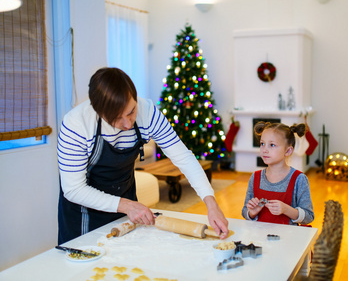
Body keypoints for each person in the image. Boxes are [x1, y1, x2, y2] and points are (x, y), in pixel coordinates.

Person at [57, 67, 229, 244]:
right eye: (116, 118)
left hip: (127, 206)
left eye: (131, 111)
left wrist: (211, 202)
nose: (127, 124)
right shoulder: (76, 124)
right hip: (84, 215)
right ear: (98, 111)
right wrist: (126, 205)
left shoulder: (148, 112)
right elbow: (73, 189)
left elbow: (183, 157)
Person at [241, 121, 314, 225]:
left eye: (272, 145)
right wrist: (252, 213)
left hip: (288, 238)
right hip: (258, 238)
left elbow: (309, 217)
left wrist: (286, 210)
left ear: (288, 151)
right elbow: (245, 211)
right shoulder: (255, 177)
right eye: (262, 144)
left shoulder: (299, 179)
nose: (265, 149)